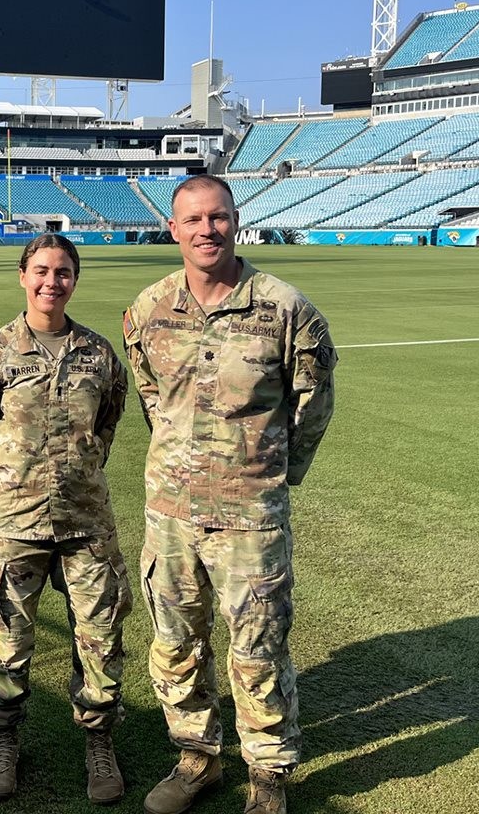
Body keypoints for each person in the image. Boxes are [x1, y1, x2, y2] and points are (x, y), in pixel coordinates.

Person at [123, 175, 337, 814]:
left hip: (250, 516)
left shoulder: (285, 308)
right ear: (174, 229)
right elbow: (151, 398)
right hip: (171, 513)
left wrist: (273, 473)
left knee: (258, 643)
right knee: (175, 640)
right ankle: (196, 757)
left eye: (217, 218)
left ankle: (267, 774)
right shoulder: (148, 309)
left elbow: (313, 403)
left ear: (236, 221)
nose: (206, 230)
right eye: (193, 220)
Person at [0, 233, 131, 805]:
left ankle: (99, 740)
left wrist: (74, 473)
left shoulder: (100, 355)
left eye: (63, 272)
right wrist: (11, 485)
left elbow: (107, 424)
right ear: (22, 275)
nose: (51, 282)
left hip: (86, 521)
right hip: (15, 522)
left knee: (100, 638)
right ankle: (3, 739)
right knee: (8, 638)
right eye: (41, 271)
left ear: (75, 279)